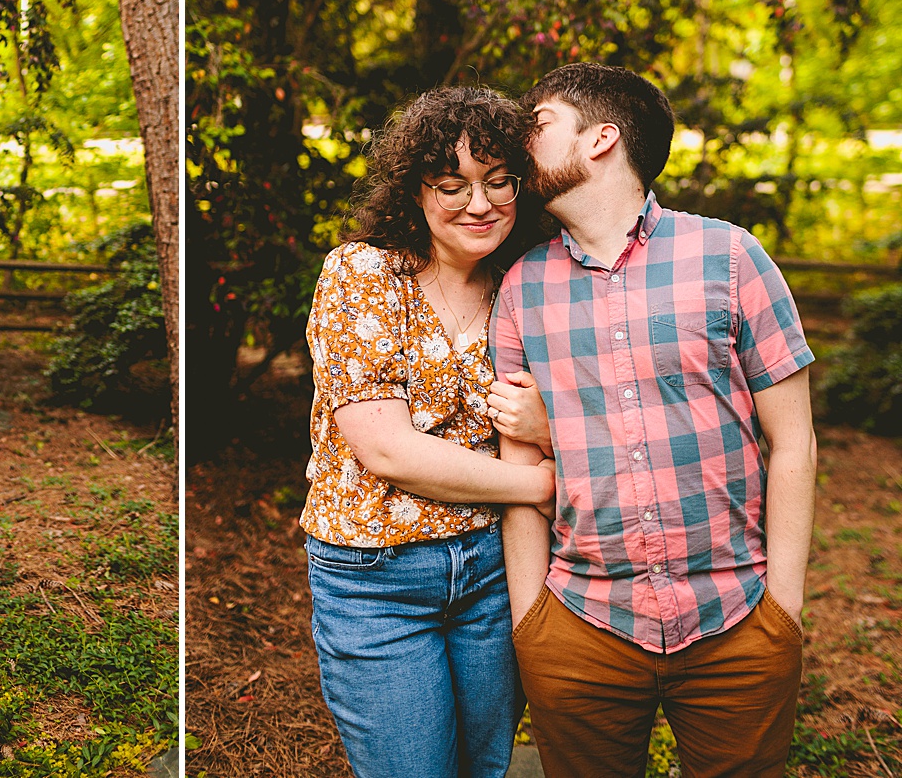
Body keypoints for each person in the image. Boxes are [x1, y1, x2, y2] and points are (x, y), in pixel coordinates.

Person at [491, 63, 816, 777]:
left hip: (736, 618)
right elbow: (518, 468)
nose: (519, 141)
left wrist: (782, 614)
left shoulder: (732, 257)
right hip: (580, 627)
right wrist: (531, 625)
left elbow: (793, 442)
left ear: (602, 138)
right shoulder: (521, 287)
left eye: (538, 124)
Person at [300, 86, 559, 778]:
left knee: (485, 768)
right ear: (415, 190)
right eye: (453, 185)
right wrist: (541, 482)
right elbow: (387, 448)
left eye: (499, 182)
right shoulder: (363, 274)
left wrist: (548, 429)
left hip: (496, 568)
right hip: (377, 578)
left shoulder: (527, 284)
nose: (481, 204)